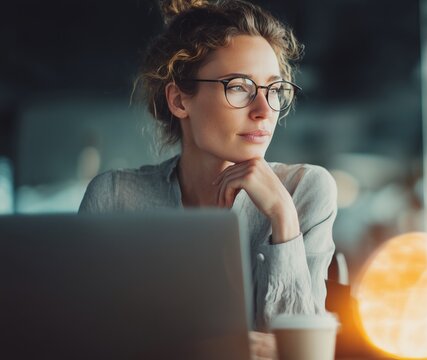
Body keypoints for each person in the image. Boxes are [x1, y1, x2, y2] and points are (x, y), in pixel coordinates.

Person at [78, 0, 337, 358]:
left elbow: (303, 355)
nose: (264, 111)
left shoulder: (305, 191)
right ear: (180, 100)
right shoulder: (116, 198)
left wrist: (283, 216)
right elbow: (84, 342)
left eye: (274, 89)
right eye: (239, 87)